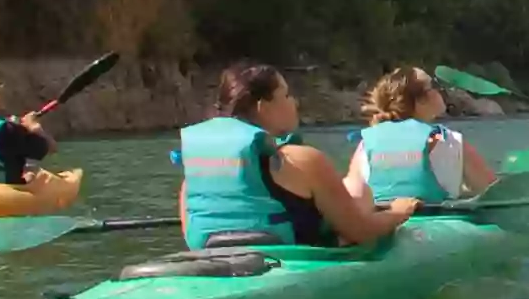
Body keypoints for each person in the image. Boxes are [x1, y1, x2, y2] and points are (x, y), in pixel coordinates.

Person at [178, 62, 415, 250]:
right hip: (293, 260)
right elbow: (360, 231)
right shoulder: (303, 161)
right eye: (287, 95)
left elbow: (192, 237)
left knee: (353, 189)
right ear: (264, 107)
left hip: (216, 260)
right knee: (358, 190)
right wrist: (398, 212)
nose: (295, 102)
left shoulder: (195, 176)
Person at [351, 66, 499, 203]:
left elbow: (353, 194)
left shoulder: (365, 145)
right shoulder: (449, 141)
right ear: (420, 101)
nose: (440, 90)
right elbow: (496, 195)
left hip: (384, 225)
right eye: (434, 85)